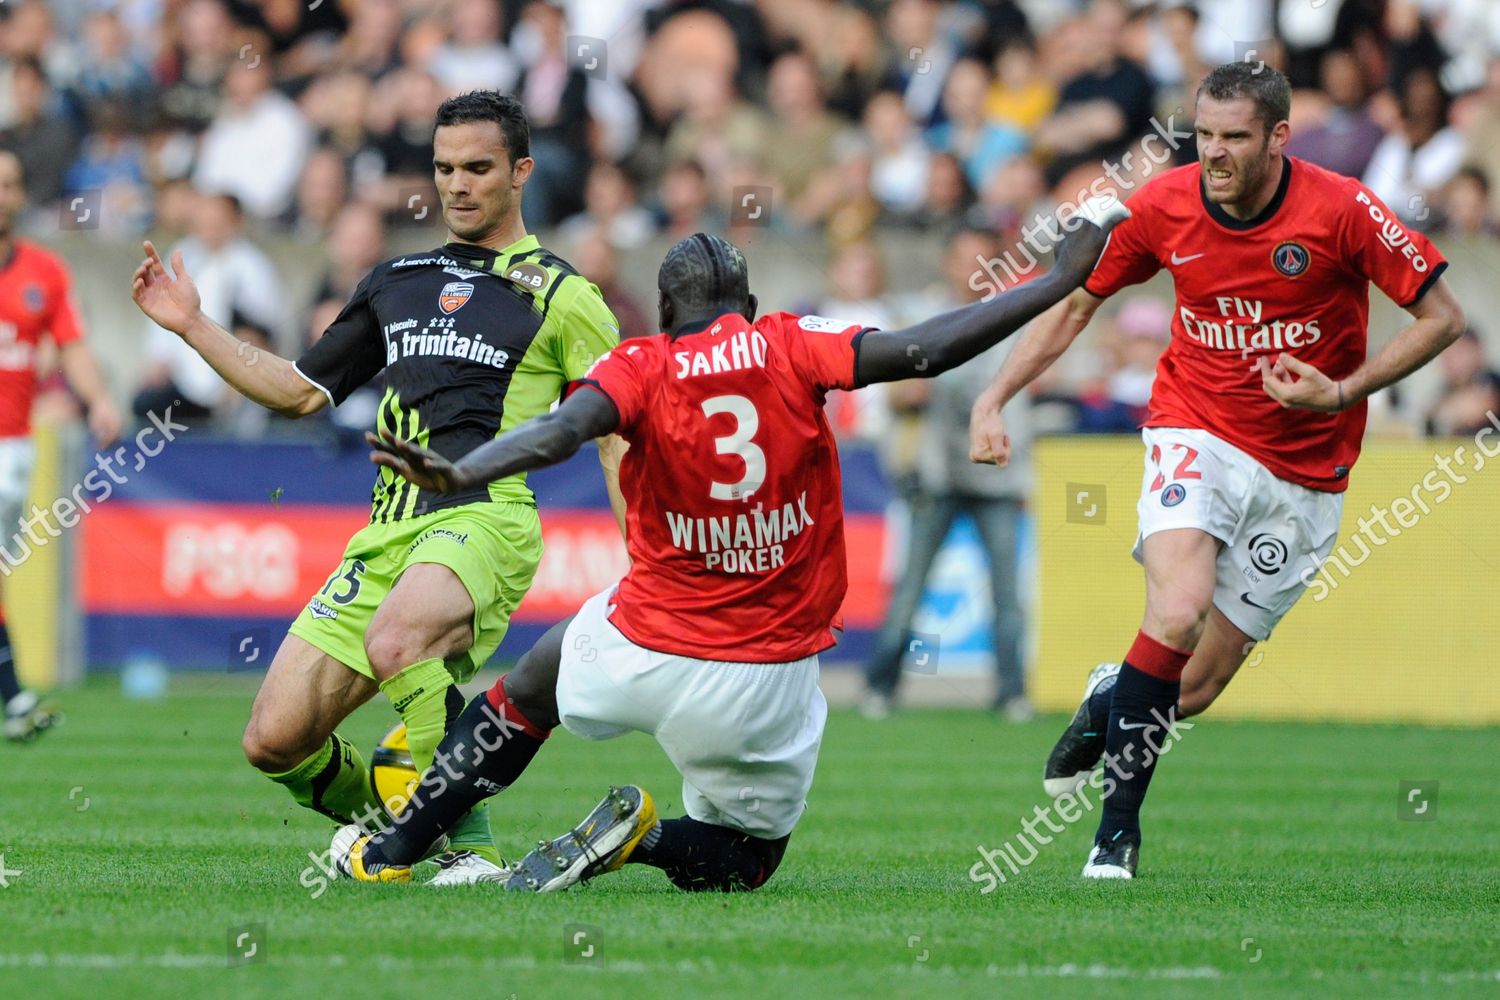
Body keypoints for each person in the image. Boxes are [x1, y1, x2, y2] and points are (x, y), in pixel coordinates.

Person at [329, 205, 1127, 891]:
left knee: (526, 692)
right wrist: (1057, 280)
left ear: (667, 314)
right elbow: (927, 349)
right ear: (745, 304)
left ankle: (394, 850)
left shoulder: (641, 363)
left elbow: (562, 430)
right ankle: (644, 839)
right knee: (749, 858)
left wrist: (468, 468)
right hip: (763, 678)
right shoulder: (790, 344)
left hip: (641, 643)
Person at [968, 62, 1465, 879]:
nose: (1216, 154)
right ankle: (1114, 838)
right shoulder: (1163, 205)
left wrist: (1340, 390)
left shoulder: (1342, 209)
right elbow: (1074, 308)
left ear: (1278, 136)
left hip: (1307, 471)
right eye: (1203, 135)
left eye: (1235, 137)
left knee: (1189, 690)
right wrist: (996, 397)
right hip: (1195, 431)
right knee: (1176, 613)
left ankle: (1111, 695)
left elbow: (1443, 319)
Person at [130, 90, 626, 885]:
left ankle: (472, 846)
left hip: (484, 518)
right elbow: (296, 391)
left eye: (477, 168)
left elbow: (619, 432)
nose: (456, 184)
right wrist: (193, 325)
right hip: (388, 528)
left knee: (397, 642)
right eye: (443, 168)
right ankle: (403, 826)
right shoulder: (398, 278)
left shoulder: (566, 297)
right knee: (275, 741)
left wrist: (645, 555)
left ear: (521, 172)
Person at [861, 228, 1036, 721]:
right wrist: (906, 391)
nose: (971, 268)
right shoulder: (921, 316)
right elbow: (889, 391)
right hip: (935, 472)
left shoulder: (1019, 315)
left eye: (981, 258)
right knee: (910, 585)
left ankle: (1011, 692)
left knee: (1007, 592)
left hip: (999, 474)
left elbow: (1030, 394)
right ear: (948, 264)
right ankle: (880, 685)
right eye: (963, 258)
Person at [0, 150, 121, 740]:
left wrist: (97, 399)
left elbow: (71, 345)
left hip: (10, 451)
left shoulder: (44, 273)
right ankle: (15, 696)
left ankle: (15, 693)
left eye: (11, 183)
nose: (3, 193)